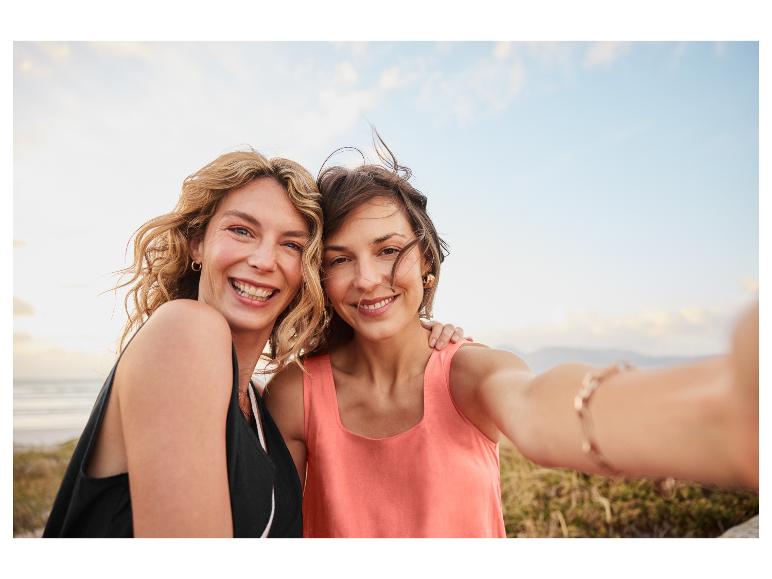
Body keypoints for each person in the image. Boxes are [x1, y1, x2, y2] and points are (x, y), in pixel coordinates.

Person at [265, 136, 759, 538]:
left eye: (389, 250)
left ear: (427, 263)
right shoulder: (295, 393)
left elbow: (537, 408)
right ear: (319, 277)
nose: (368, 278)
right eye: (339, 259)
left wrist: (720, 411)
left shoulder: (468, 371)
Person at [43, 148, 463, 538]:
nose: (264, 260)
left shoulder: (263, 408)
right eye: (242, 230)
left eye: (291, 244)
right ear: (198, 243)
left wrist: (414, 338)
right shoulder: (184, 330)